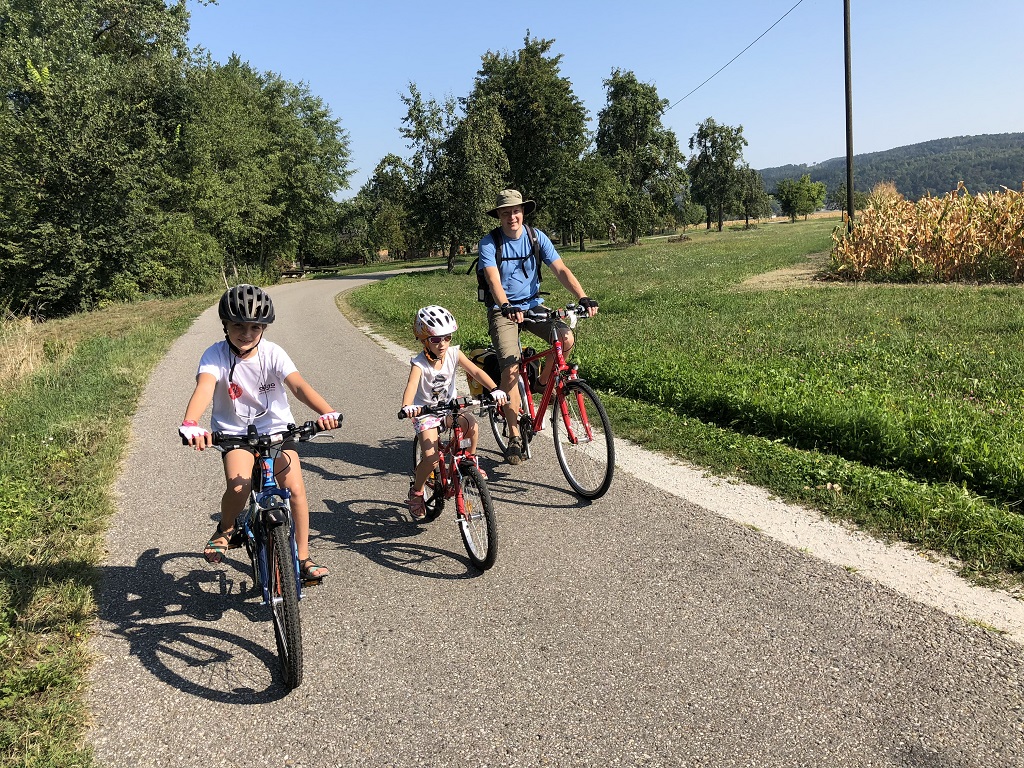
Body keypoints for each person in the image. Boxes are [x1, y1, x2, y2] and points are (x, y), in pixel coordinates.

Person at [179, 284, 341, 580]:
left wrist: (326, 412)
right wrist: (191, 422)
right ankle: (226, 528)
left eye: (255, 326)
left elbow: (298, 386)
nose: (247, 333)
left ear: (264, 327)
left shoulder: (273, 353)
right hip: (234, 433)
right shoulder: (215, 355)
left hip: (277, 430)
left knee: (296, 491)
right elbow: (204, 388)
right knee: (239, 487)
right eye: (238, 325)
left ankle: (302, 557)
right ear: (225, 325)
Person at [476, 189, 598, 465]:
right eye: (506, 212)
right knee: (511, 366)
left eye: (516, 211)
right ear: (499, 216)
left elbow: (561, 269)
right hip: (503, 310)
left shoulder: (535, 236)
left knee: (565, 339)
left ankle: (542, 384)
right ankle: (515, 437)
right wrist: (506, 305)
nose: (512, 216)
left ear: (523, 212)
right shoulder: (489, 243)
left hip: (533, 305)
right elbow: (493, 280)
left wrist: (582, 296)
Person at [400, 305, 508, 521]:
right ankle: (417, 492)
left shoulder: (453, 353)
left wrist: (495, 389)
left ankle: (469, 460)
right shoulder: (420, 363)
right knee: (430, 457)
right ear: (423, 340)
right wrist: (407, 406)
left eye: (447, 338)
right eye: (436, 339)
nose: (442, 344)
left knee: (471, 424)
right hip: (426, 412)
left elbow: (476, 371)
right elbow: (412, 385)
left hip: (449, 408)